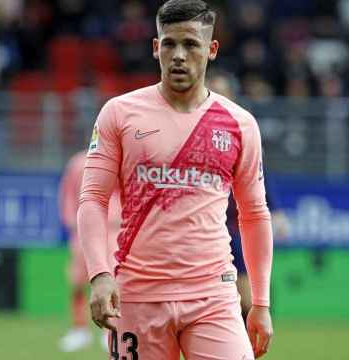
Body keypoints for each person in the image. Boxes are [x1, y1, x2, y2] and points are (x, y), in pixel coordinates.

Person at [77, 1, 275, 359]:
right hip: (137, 297)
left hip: (212, 295)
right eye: (169, 44)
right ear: (156, 48)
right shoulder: (119, 114)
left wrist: (260, 302)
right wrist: (99, 275)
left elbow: (254, 214)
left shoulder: (239, 124)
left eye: (191, 44)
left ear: (211, 50)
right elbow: (93, 198)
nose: (179, 55)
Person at [58, 151, 120, 352]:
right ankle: (79, 329)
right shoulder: (77, 163)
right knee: (77, 281)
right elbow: (67, 193)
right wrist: (71, 222)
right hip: (82, 229)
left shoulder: (119, 159)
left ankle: (109, 331)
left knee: (110, 279)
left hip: (112, 228)